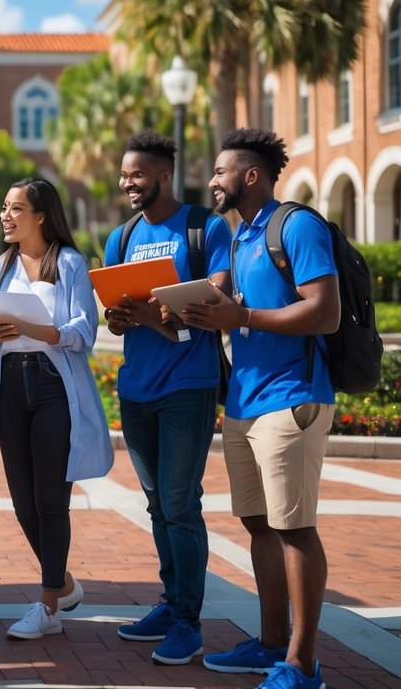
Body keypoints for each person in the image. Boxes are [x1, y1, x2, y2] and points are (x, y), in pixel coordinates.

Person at [176, 129, 339, 689]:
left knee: (294, 528)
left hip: (293, 395)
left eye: (221, 172)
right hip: (245, 399)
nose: (212, 180)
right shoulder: (238, 236)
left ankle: (302, 661)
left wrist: (240, 319)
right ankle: (270, 641)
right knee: (258, 522)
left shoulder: (296, 225)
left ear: (250, 176)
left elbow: (325, 312)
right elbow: (240, 308)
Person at [103, 133, 232, 665]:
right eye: (124, 175)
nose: (127, 184)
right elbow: (115, 310)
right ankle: (170, 599)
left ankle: (187, 622)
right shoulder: (122, 235)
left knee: (180, 504)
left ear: (162, 175)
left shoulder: (207, 226)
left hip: (188, 387)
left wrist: (162, 315)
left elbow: (217, 294)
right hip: (136, 390)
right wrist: (122, 315)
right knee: (158, 504)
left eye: (137, 175)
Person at [0, 177, 112, 640]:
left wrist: (36, 330)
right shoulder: (2, 264)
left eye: (16, 208)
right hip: (11, 385)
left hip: (55, 385)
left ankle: (48, 606)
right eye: (4, 207)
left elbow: (84, 332)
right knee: (22, 503)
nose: (6, 216)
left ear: (41, 215)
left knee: (51, 500)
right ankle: (64, 584)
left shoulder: (70, 262)